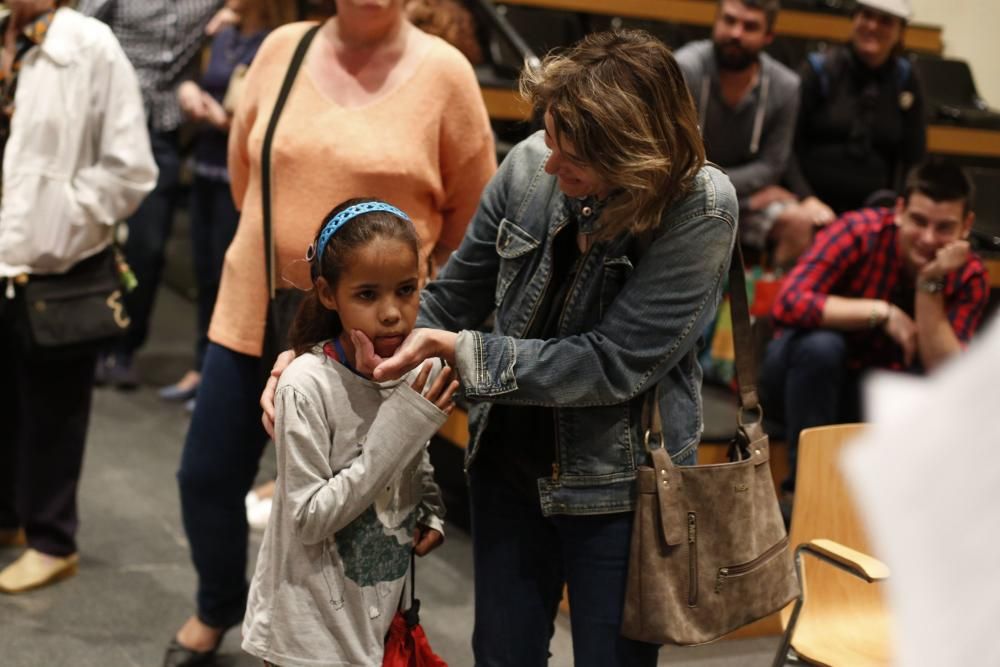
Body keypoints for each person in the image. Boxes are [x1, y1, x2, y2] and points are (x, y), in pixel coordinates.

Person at [260, 28, 738, 666]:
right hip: (507, 467)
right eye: (550, 138)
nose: (548, 163)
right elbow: (448, 298)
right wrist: (317, 357)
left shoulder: (701, 207)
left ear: (633, 158)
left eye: (571, 157)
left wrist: (464, 354)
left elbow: (612, 362)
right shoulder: (528, 165)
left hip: (619, 489)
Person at [167, 0, 495, 663]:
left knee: (351, 507)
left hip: (377, 327)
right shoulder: (282, 47)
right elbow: (243, 175)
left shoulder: (444, 73)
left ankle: (340, 641)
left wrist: (395, 299)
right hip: (259, 297)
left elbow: (473, 218)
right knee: (206, 473)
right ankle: (218, 603)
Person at [242, 198, 457, 666]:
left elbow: (410, 464)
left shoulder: (415, 370)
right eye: (367, 295)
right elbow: (309, 518)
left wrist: (429, 509)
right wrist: (403, 420)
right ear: (327, 293)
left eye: (406, 289)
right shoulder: (305, 385)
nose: (391, 313)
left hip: (376, 626)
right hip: (308, 637)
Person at [0, 0, 156, 592]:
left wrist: (65, 212)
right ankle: (9, 517)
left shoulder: (89, 44)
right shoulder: (6, 35)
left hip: (59, 258)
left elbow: (130, 169)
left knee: (54, 407)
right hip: (5, 253)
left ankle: (52, 538)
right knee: (6, 399)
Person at [760, 160, 989, 495]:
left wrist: (930, 285)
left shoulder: (969, 274)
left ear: (966, 226)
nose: (928, 238)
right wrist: (881, 313)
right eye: (919, 221)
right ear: (899, 210)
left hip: (873, 390)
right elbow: (790, 301)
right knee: (821, 347)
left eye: (943, 228)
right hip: (802, 378)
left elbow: (947, 374)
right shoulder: (859, 231)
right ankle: (803, 493)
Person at [77, 0, 226, 389]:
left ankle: (123, 346)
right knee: (88, 231)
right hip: (102, 121)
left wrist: (235, 16)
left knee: (148, 245)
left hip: (160, 131)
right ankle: (80, 335)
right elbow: (79, 31)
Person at [160, 0, 293, 408]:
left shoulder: (276, 42)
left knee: (227, 276)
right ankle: (201, 367)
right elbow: (193, 75)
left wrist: (228, 121)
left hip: (244, 176)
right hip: (205, 163)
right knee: (203, 273)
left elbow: (273, 113)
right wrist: (191, 94)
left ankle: (224, 381)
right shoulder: (222, 33)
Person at [675, 0, 831, 266]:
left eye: (750, 26)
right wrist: (733, 190)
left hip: (744, 200)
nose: (736, 33)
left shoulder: (786, 86)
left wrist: (737, 193)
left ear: (768, 36)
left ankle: (769, 303)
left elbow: (772, 164)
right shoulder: (684, 69)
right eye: (729, 20)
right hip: (684, 190)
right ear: (716, 21)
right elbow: (672, 159)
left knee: (800, 222)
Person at [788, 0, 926, 215]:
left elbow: (914, 156)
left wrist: (900, 205)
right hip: (813, 208)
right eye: (867, 16)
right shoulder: (819, 69)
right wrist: (806, 198)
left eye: (885, 21)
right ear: (854, 19)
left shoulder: (906, 79)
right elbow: (787, 147)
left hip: (878, 212)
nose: (873, 26)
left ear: (901, 32)